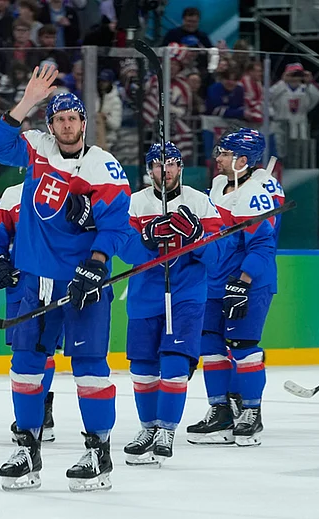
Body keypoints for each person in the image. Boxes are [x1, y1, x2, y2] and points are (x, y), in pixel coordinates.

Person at [0, 64, 134, 492]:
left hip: (82, 284)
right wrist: (27, 102)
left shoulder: (103, 167)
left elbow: (117, 226)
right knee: (27, 366)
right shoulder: (36, 148)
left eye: (73, 118)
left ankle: (97, 450)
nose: (66, 125)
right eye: (59, 119)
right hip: (34, 282)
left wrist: (98, 261)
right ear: (50, 124)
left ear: (85, 123)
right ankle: (27, 447)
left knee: (88, 367)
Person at [76, 142, 222, 466]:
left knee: (174, 363)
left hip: (186, 295)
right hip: (143, 297)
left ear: (180, 168)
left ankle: (166, 431)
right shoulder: (133, 204)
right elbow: (125, 252)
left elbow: (216, 256)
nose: (165, 170)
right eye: (158, 165)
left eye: (170, 164)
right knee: (142, 368)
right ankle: (148, 428)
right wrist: (147, 238)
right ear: (149, 169)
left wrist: (196, 238)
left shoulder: (200, 202)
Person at [185, 128, 284, 447]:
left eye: (225, 154)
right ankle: (221, 411)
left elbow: (262, 245)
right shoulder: (217, 184)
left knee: (242, 346)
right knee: (210, 348)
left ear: (243, 160)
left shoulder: (254, 194)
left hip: (248, 283)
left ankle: (251, 413)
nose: (218, 159)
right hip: (213, 282)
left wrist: (243, 282)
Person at [0, 183, 57, 442]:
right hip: (20, 284)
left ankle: (40, 409)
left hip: (54, 282)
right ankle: (34, 412)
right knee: (22, 350)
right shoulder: (11, 193)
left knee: (42, 348)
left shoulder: (71, 185)